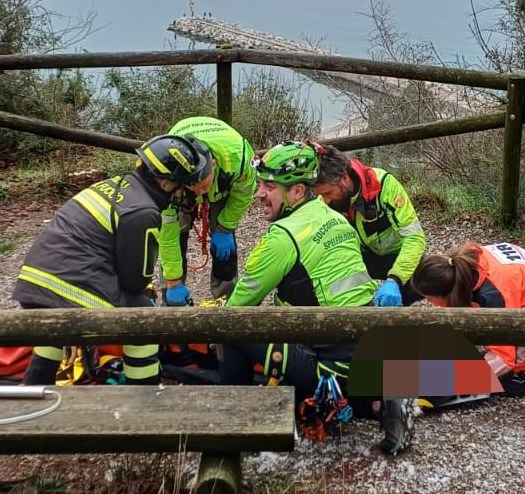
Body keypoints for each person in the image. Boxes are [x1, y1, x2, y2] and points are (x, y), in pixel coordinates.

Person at [220, 141, 415, 455]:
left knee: (230, 328)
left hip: (329, 364)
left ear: (297, 192)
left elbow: (237, 309)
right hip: (368, 344)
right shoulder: (336, 216)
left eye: (269, 186)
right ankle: (378, 400)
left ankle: (238, 423)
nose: (259, 194)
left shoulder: (282, 239)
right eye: (259, 185)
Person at [12, 134, 214, 386]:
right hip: (69, 286)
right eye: (183, 187)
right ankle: (144, 396)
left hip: (35, 282)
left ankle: (35, 386)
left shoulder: (117, 185)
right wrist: (148, 295)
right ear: (165, 183)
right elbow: (134, 283)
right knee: (144, 319)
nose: (184, 196)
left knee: (51, 331)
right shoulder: (143, 212)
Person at [412, 238, 525, 403]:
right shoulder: (464, 264)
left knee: (505, 340)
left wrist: (448, 384)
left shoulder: (493, 296)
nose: (428, 302)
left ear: (449, 293)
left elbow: (504, 357)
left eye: (429, 298)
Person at [158, 114, 256, 302]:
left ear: (212, 164)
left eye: (204, 185)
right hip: (181, 183)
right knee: (177, 235)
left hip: (223, 176)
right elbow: (167, 234)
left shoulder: (238, 159)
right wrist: (172, 282)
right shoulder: (166, 177)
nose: (200, 192)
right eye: (194, 188)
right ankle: (172, 299)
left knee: (225, 246)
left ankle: (226, 297)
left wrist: (225, 227)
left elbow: (243, 194)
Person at [312, 144, 426, 304]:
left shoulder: (384, 184)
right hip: (361, 256)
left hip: (395, 254)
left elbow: (415, 238)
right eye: (320, 195)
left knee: (424, 277)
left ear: (345, 178)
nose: (325, 200)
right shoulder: (326, 201)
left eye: (328, 193)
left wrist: (395, 279)